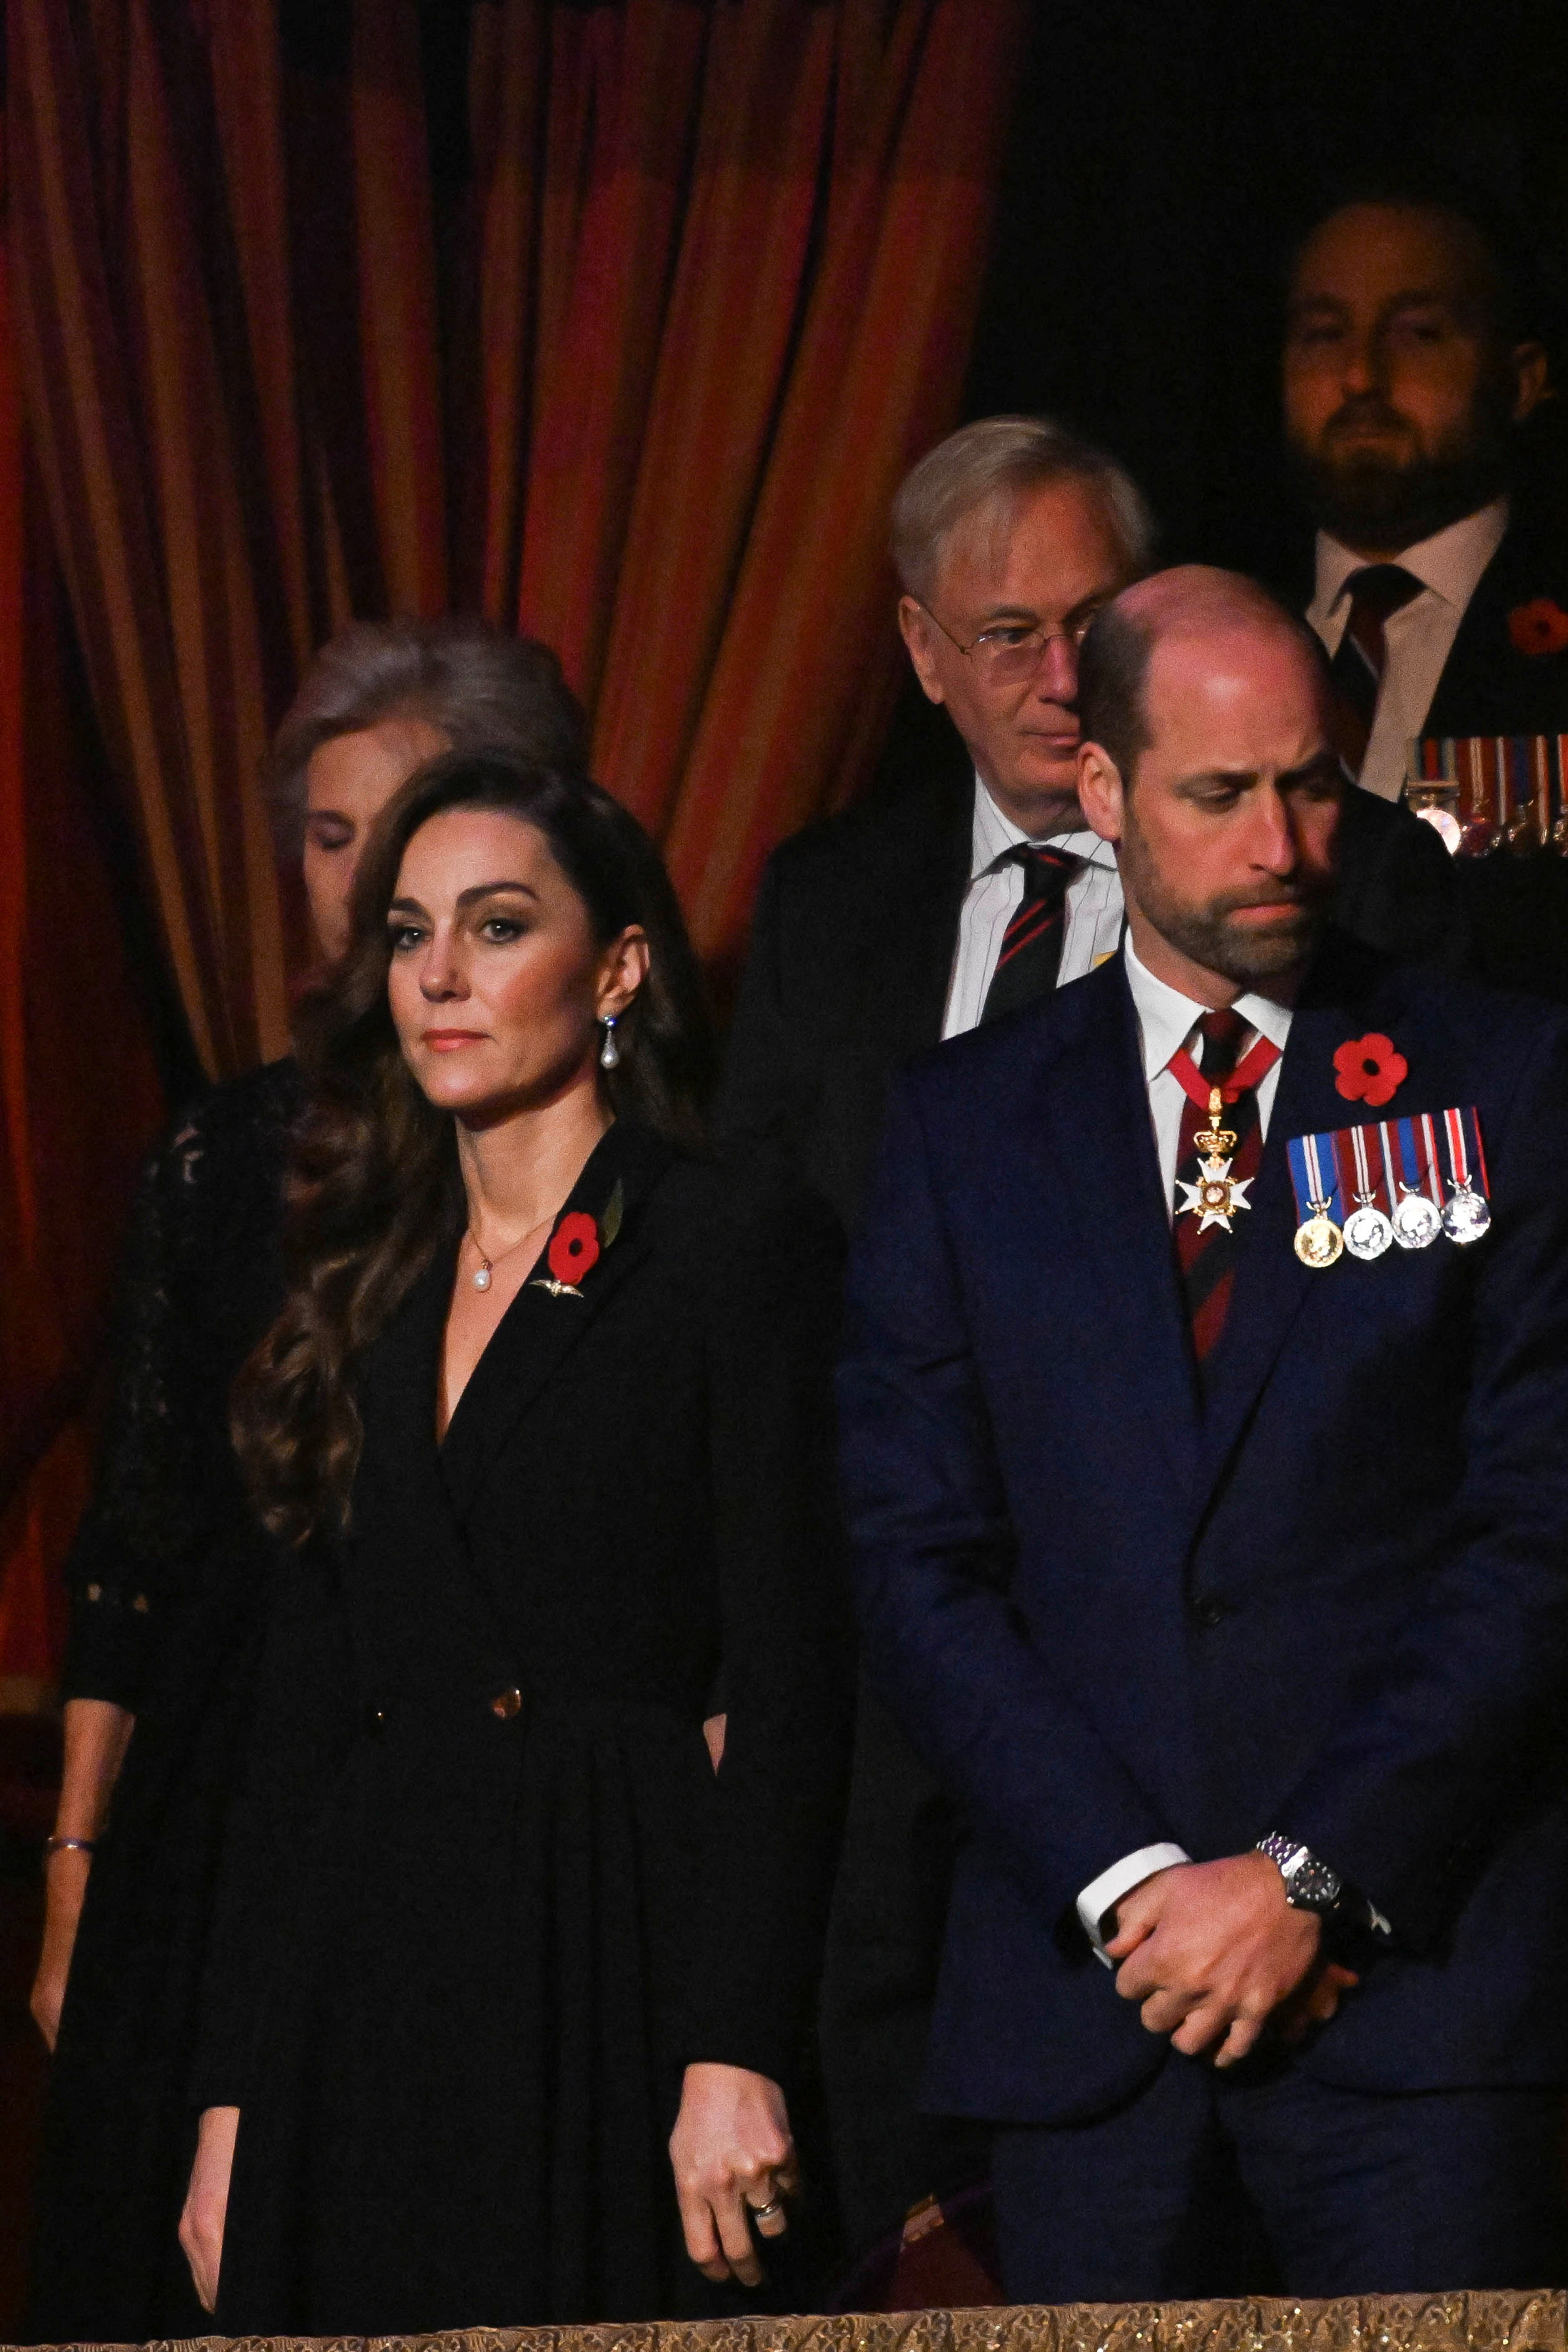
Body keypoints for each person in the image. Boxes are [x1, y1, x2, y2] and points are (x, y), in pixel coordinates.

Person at [719, 415, 1460, 2270]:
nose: (1059, 683)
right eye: (1004, 637)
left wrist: (1266, 1877)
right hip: (918, 1720)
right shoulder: (835, 911)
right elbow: (768, 1317)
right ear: (916, 652)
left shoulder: (1359, 903)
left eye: (1092, 625)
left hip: (1285, 1795)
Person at [838, 566, 1568, 2299]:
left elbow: (1539, 1533)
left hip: (1416, 2004)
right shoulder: (964, 1129)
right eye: (1220, 794)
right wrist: (1135, 1888)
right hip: (1092, 2013)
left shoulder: (1503, 1084)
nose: (1281, 841)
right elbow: (917, 1563)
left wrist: (1308, 1880)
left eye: (1310, 783)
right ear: (1105, 794)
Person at [175, 750, 852, 2335]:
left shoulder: (725, 1236)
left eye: (495, 927)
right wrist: (231, 2099)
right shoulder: (369, 1281)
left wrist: (733, 2044)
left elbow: (798, 1667)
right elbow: (299, 1729)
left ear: (616, 967)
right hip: (373, 1968)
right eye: (411, 936)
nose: (441, 979)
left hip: (612, 1937)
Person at [26, 619, 592, 2345]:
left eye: (406, 827)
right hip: (214, 1794)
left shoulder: (579, 1157)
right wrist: (72, 1878)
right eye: (331, 838)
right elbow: (137, 1545)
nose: (360, 885)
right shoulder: (219, 1152)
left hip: (460, 1786)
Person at [1283, 172, 1568, 1606]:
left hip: (1537, 1385)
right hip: (1262, 1387)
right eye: (1321, 333)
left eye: (1415, 334)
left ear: (1521, 376)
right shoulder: (1201, 652)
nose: (1357, 376)